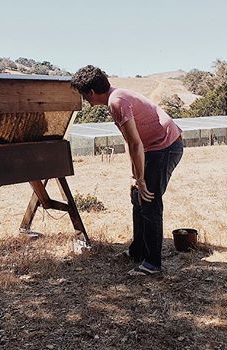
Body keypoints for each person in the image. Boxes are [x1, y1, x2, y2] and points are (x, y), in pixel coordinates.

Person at [71, 65, 183, 276]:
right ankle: (138, 250)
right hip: (152, 148)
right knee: (137, 197)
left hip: (165, 147)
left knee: (149, 201)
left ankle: (152, 264)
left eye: (83, 95)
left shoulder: (116, 101)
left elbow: (135, 144)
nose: (84, 100)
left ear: (91, 93)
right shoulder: (116, 98)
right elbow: (131, 141)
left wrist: (141, 180)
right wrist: (135, 176)